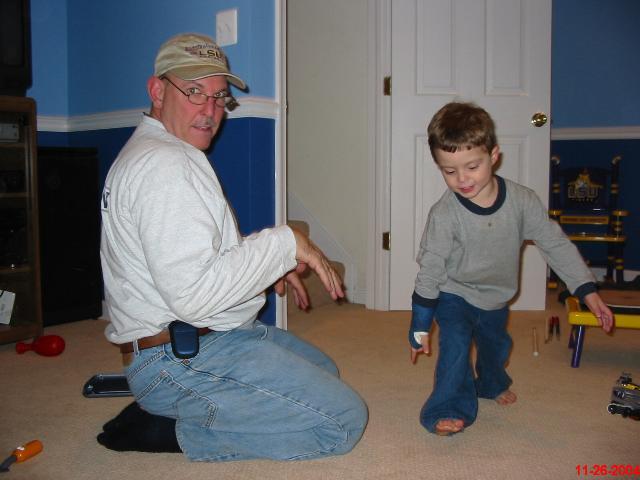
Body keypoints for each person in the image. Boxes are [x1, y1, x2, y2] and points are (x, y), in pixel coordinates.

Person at [97, 32, 367, 461]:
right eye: (194, 92)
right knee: (341, 422)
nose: (210, 111)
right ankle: (167, 429)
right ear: (157, 90)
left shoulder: (160, 151)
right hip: (179, 359)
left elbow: (195, 258)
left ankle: (194, 409)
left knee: (324, 373)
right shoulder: (165, 165)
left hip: (209, 338)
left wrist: (266, 268)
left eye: (219, 97)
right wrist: (284, 243)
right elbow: (193, 297)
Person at [408, 102, 613, 436]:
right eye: (449, 171)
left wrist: (586, 290)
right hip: (453, 293)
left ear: (494, 155)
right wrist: (420, 323)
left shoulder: (522, 201)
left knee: (495, 348)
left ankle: (491, 384)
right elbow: (430, 268)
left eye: (472, 166)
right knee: (455, 348)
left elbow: (555, 244)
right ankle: (445, 409)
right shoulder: (444, 214)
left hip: (496, 296)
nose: (462, 179)